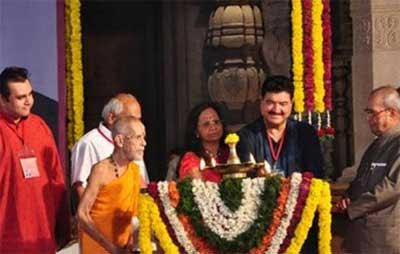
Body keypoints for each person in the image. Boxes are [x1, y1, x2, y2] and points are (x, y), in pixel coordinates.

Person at [0, 66, 70, 253]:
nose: (29, 101)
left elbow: (56, 179)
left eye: (30, 94)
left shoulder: (39, 126)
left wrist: (63, 227)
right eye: (21, 97)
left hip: (42, 237)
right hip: (7, 240)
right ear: (3, 99)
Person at [338, 86, 400, 253]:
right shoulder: (376, 144)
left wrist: (354, 207)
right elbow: (361, 179)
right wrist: (348, 196)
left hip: (383, 237)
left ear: (392, 113)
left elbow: (392, 187)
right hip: (363, 235)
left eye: (373, 113)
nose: (368, 119)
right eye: (368, 113)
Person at [77, 116, 145, 254]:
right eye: (138, 137)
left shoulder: (135, 171)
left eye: (143, 137)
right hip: (98, 245)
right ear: (120, 140)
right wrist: (109, 247)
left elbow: (134, 214)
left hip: (123, 247)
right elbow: (82, 214)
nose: (144, 143)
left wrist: (130, 243)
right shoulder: (101, 170)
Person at [237, 75, 324, 178]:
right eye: (270, 103)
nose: (276, 109)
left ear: (291, 104)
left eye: (283, 104)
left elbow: (315, 174)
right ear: (261, 102)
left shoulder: (305, 133)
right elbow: (244, 178)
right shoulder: (246, 135)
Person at [71, 93, 149, 200]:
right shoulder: (89, 143)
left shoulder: (135, 141)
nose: (137, 124)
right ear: (111, 118)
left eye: (138, 120)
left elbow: (143, 185)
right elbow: (79, 188)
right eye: (131, 119)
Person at [179, 102, 229, 183]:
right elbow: (199, 191)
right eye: (206, 124)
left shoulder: (230, 153)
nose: (213, 127)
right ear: (196, 131)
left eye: (216, 122)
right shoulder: (191, 159)